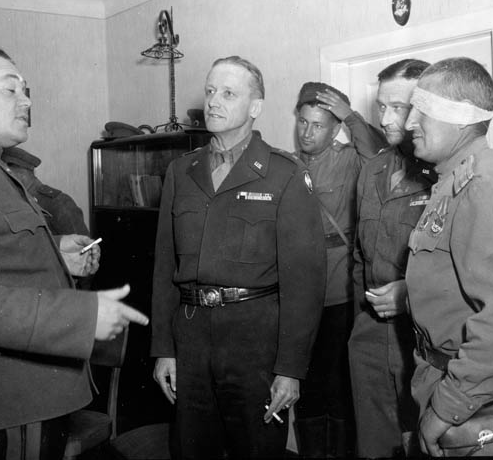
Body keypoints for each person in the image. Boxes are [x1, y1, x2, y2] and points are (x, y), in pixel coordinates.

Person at [0, 40, 149, 460]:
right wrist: (83, 315)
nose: (26, 100)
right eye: (10, 89)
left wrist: (56, 251)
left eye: (26, 89)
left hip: (25, 399)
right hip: (1, 410)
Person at [151, 56, 326, 459]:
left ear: (255, 107)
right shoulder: (182, 170)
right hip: (190, 338)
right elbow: (164, 268)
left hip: (255, 342)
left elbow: (305, 283)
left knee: (258, 449)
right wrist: (164, 347)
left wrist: (290, 369)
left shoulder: (284, 175)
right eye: (211, 91)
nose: (214, 101)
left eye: (228, 93)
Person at [404, 57, 493, 456]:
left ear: (463, 117)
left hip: (482, 400)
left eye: (423, 110)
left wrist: (446, 407)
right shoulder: (454, 181)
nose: (408, 123)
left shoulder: (481, 187)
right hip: (464, 384)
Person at [292, 82, 385, 457]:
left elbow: (380, 153)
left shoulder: (350, 159)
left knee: (341, 384)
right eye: (303, 122)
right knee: (306, 383)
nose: (307, 132)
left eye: (318, 125)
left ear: (335, 131)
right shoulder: (288, 163)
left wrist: (351, 115)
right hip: (300, 292)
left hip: (339, 292)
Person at [348, 59, 434, 458]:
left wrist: (411, 292)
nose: (384, 118)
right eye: (381, 106)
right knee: (374, 446)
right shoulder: (373, 169)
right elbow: (358, 256)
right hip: (368, 334)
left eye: (396, 107)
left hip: (420, 337)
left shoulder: (444, 173)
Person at [1, 146, 89, 236]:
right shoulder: (11, 201)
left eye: (5, 176)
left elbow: (83, 246)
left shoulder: (59, 203)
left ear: (21, 175)